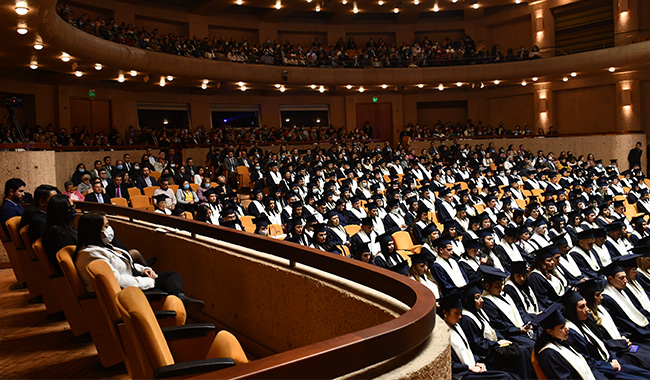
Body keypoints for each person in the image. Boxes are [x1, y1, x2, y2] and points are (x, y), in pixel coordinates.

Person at [74, 212, 204, 312]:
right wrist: (148, 281)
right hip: (127, 294)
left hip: (132, 282)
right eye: (106, 226)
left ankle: (180, 297)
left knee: (171, 276)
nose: (110, 229)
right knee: (167, 290)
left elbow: (124, 264)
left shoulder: (102, 246)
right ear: (94, 231)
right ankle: (179, 318)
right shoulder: (91, 255)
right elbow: (116, 281)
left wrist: (144, 269)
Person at [562, 290, 650, 378]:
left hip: (614, 360)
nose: (587, 309)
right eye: (582, 307)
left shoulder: (586, 321)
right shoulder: (571, 332)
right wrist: (610, 366)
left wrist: (614, 358)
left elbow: (603, 342)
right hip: (605, 370)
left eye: (586, 305)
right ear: (571, 310)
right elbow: (587, 361)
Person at [439, 292, 516, 379]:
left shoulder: (457, 326)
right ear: (445, 312)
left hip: (472, 368)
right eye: (456, 313)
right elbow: (449, 364)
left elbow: (469, 348)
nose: (460, 317)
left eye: (460, 313)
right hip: (462, 375)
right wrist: (469, 367)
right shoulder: (443, 335)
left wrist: (477, 362)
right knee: (504, 377)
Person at [533, 301, 605, 379]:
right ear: (550, 331)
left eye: (565, 325)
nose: (567, 329)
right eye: (562, 327)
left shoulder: (563, 342)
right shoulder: (548, 355)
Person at [42, 194, 78, 274]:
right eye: (70, 208)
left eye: (73, 206)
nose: (73, 211)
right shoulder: (57, 233)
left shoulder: (64, 227)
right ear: (61, 211)